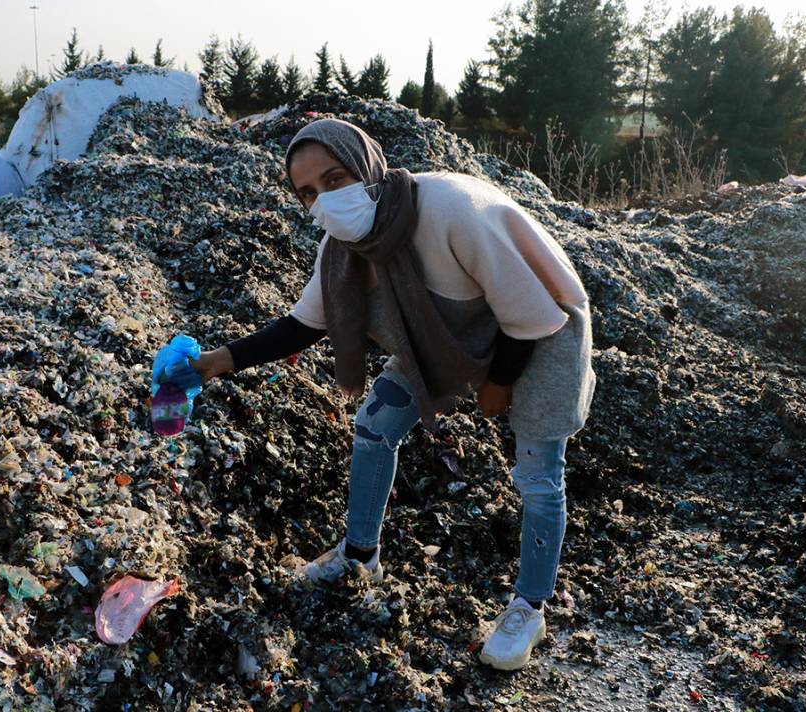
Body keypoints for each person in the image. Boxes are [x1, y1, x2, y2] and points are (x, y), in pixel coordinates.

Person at [187, 118, 595, 671]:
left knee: (537, 476)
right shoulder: (344, 248)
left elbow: (529, 313)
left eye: (335, 179)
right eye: (308, 193)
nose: (325, 201)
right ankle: (360, 555)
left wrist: (498, 385)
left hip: (542, 327)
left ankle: (529, 606)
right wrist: (218, 362)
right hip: (440, 328)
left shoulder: (450, 210)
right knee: (375, 424)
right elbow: (304, 325)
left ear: (368, 167)